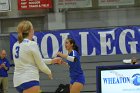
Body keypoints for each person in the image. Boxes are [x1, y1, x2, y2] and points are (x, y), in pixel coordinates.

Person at [12, 20, 61, 93]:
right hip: (29, 79)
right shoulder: (32, 44)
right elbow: (40, 64)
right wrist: (49, 72)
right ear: (30, 31)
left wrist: (52, 61)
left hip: (18, 82)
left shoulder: (16, 44)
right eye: (33, 28)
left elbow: (33, 60)